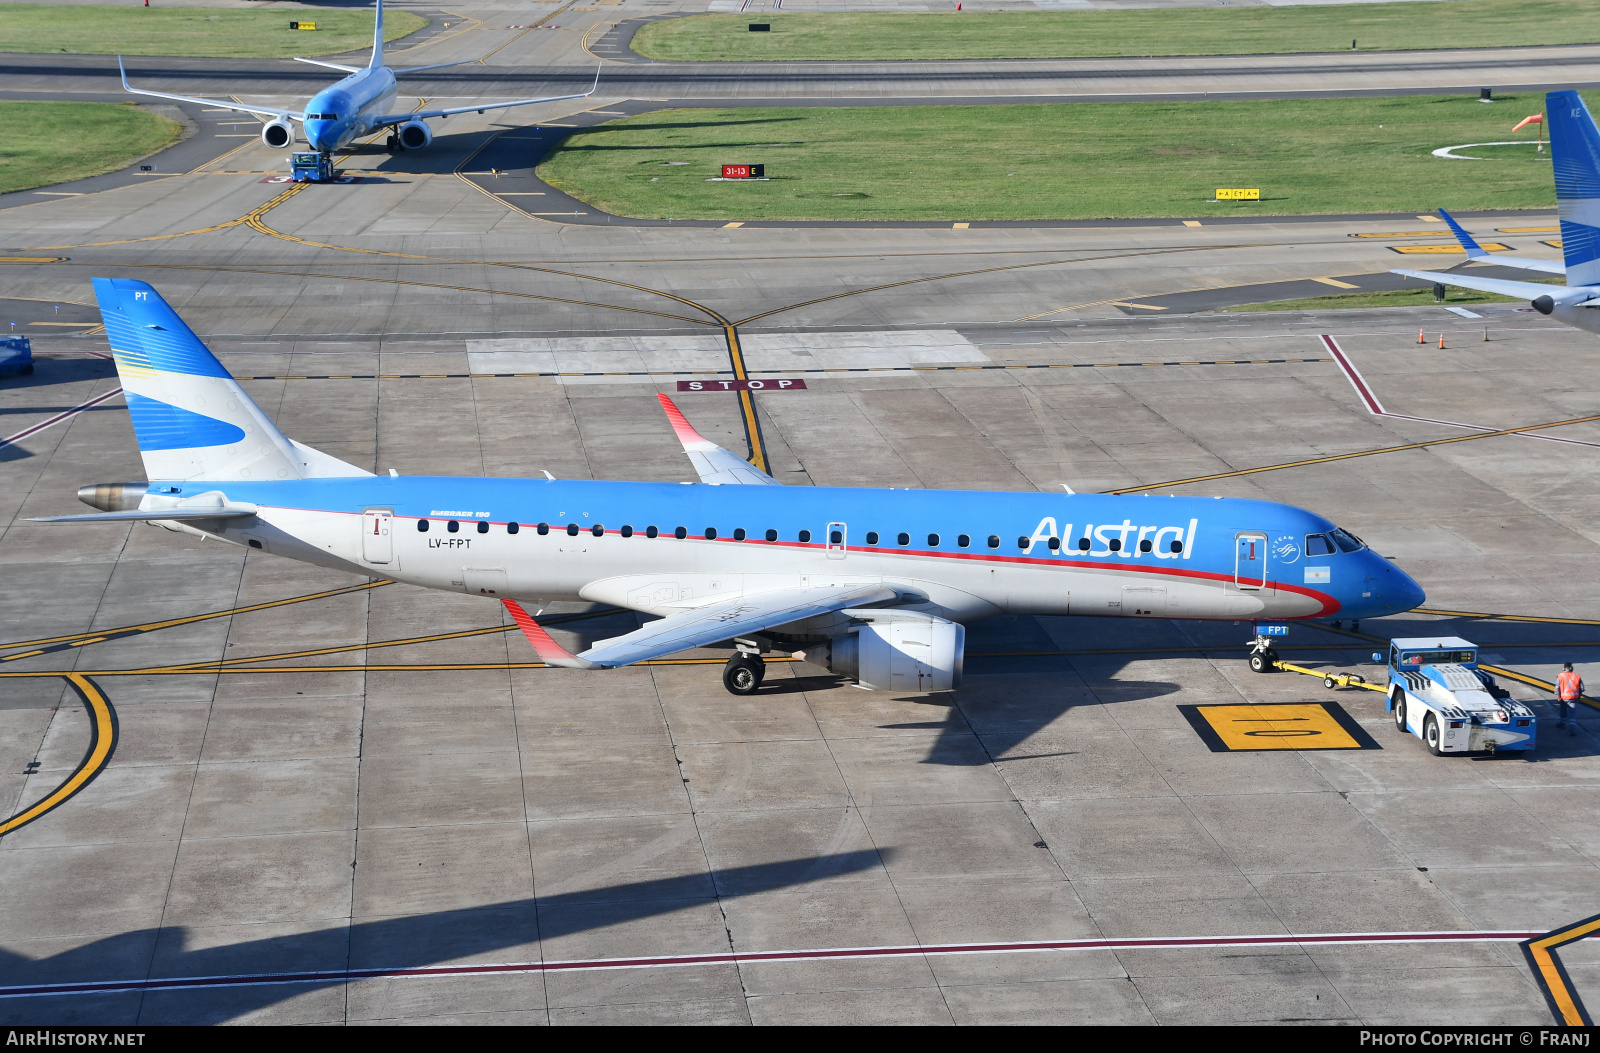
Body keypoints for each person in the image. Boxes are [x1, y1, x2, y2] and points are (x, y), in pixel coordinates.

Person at [1556, 662, 1583, 737]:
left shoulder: (1560, 676)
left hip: (1563, 698)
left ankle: (1562, 724)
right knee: (1572, 715)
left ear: (1564, 668)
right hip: (1574, 699)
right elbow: (1582, 688)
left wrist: (1558, 697)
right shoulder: (1577, 676)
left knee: (1563, 712)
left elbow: (1557, 688)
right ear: (1571, 668)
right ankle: (1572, 730)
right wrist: (1579, 696)